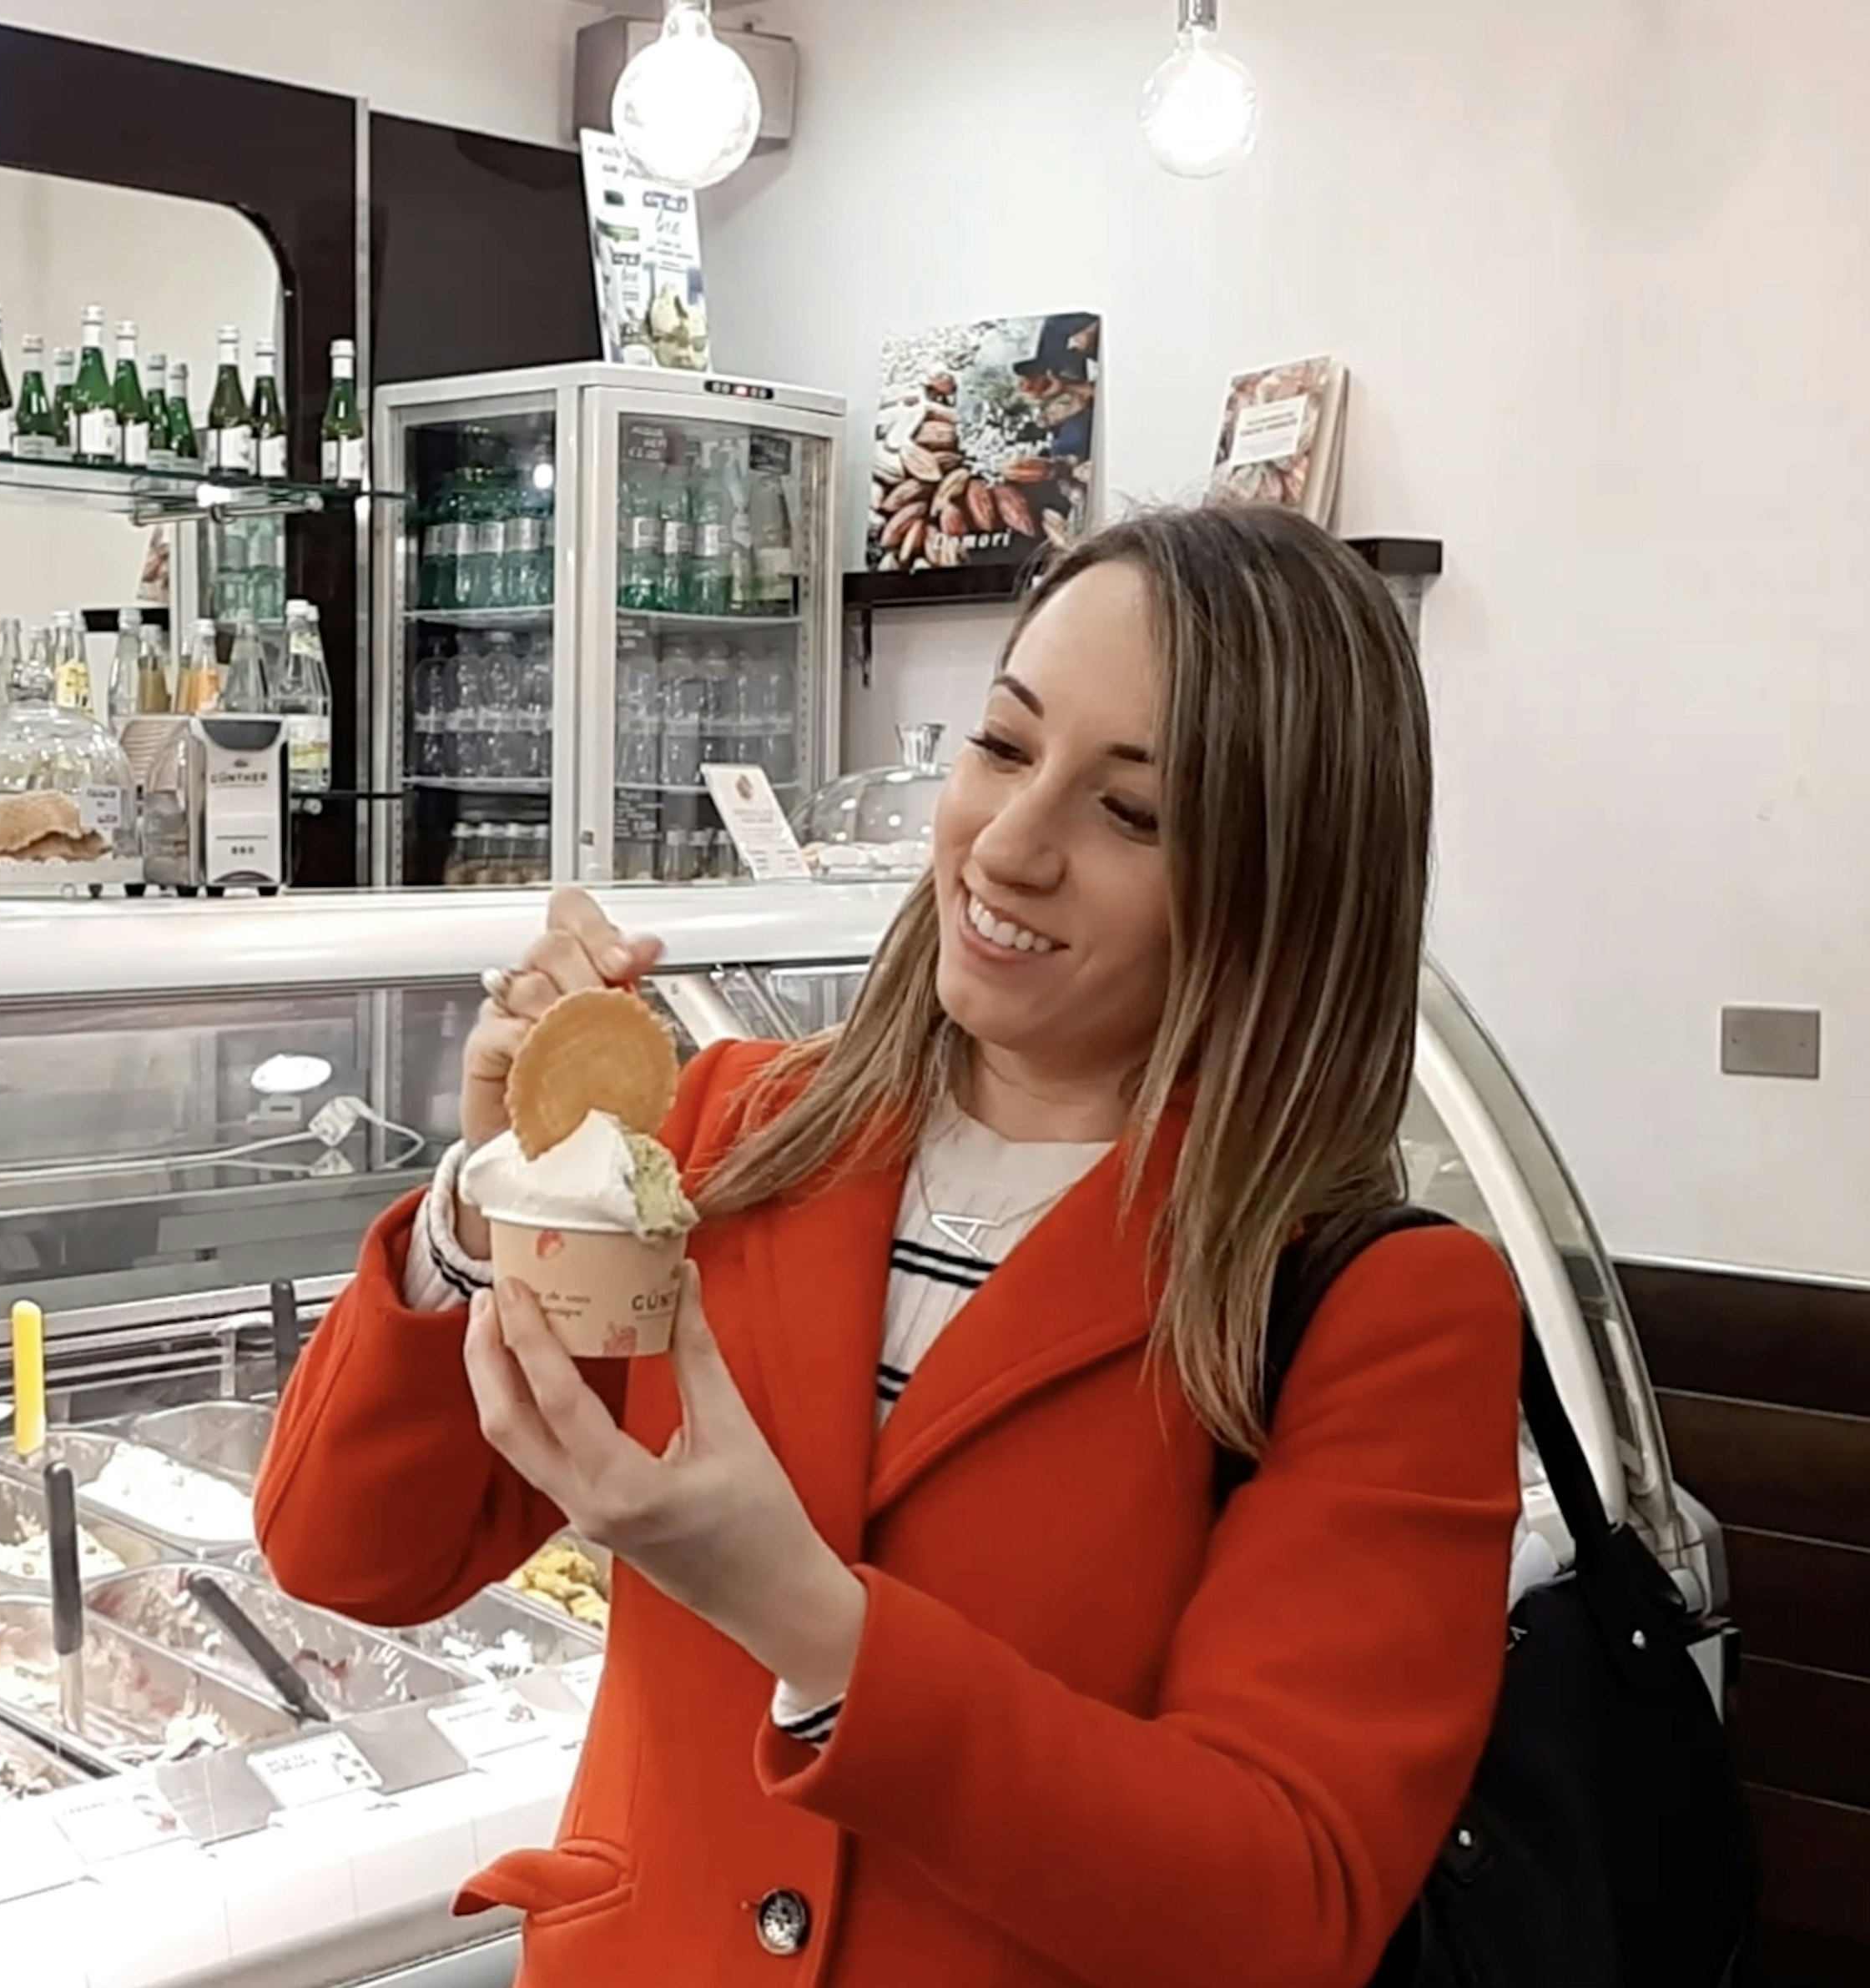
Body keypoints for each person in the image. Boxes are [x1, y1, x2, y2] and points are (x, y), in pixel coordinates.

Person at [255, 506, 1525, 1986]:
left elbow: (1281, 1904)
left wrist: (805, 1617)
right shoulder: (725, 1133)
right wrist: (493, 1202)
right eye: (1001, 745)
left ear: (1285, 886)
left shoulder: (1379, 1310)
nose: (1012, 842)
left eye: (1133, 814)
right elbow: (352, 1552)